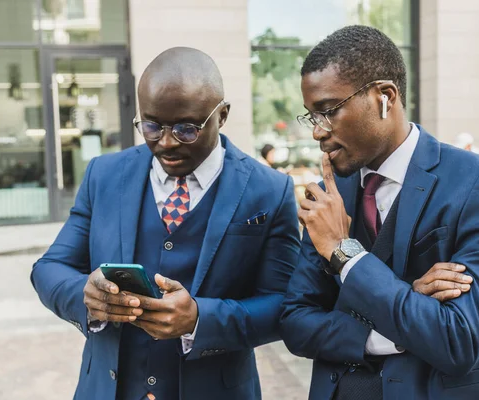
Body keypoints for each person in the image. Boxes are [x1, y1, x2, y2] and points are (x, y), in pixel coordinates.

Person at [31, 47, 300, 400]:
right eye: (152, 126)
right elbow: (49, 268)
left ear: (222, 115)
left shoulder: (269, 190)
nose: (167, 142)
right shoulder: (105, 175)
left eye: (187, 129)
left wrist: (201, 319)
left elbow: (285, 303)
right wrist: (87, 297)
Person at [281, 26, 479, 400]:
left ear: (384, 97)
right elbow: (295, 322)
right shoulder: (332, 195)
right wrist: (404, 311)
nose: (318, 132)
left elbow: (458, 340)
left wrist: (345, 254)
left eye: (328, 111)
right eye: (312, 117)